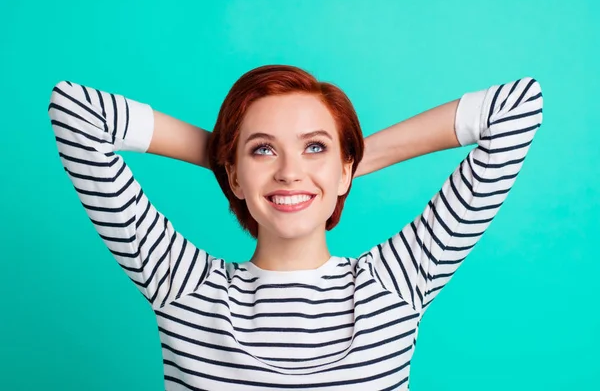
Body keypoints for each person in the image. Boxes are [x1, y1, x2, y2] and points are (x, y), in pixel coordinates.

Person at [48, 65, 543, 390]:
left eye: (314, 147)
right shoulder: (182, 287)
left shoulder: (397, 283)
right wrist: (225, 160)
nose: (289, 171)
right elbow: (76, 112)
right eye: (264, 149)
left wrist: (352, 162)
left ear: (344, 166)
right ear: (235, 173)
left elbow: (516, 108)